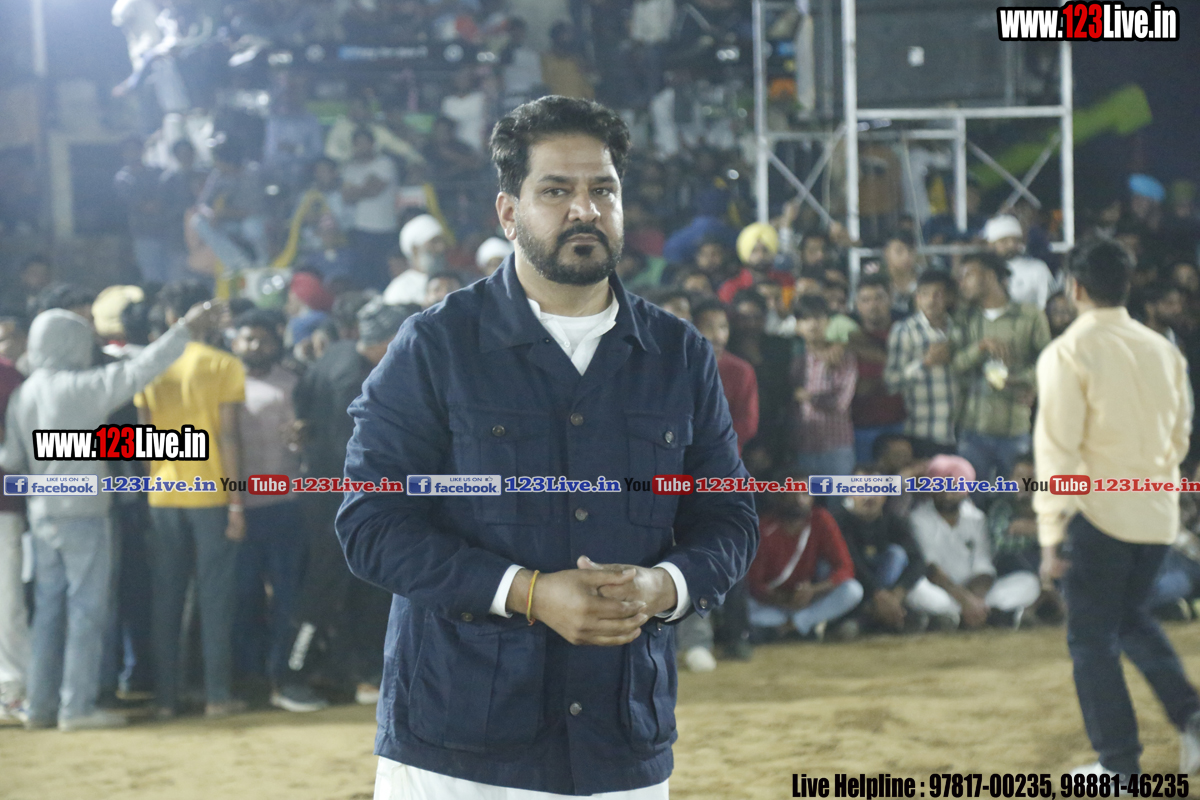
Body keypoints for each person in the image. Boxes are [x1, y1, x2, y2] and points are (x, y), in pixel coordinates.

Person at [337, 96, 757, 799]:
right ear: (509, 213)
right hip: (457, 750)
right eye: (556, 191)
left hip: (620, 741)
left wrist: (663, 588)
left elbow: (730, 517)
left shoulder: (679, 354)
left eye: (603, 190)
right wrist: (528, 594)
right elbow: (370, 523)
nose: (584, 210)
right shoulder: (436, 346)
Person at [1, 299, 222, 729]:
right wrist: (184, 328)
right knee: (86, 609)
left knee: (48, 611)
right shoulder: (80, 388)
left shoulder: (24, 393)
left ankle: (41, 707)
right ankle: (76, 708)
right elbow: (139, 371)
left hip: (41, 511)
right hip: (83, 511)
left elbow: (11, 460)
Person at [1033, 239, 1200, 779]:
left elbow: (1057, 451)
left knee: (1091, 639)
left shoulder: (1068, 352)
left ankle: (1120, 767)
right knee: (1130, 619)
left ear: (1075, 288)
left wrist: (1049, 535)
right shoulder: (1164, 350)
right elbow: (1181, 438)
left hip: (1097, 515)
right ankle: (1192, 717)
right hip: (1156, 511)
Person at [284, 297, 411, 706]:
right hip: (339, 501)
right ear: (389, 339)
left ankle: (354, 673)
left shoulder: (336, 354)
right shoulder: (357, 381)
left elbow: (301, 403)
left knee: (361, 587)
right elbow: (355, 456)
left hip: (327, 494)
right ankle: (292, 675)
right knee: (324, 587)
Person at [135, 281, 248, 719]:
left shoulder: (150, 366)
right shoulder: (223, 364)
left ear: (171, 317)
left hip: (163, 494)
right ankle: (217, 696)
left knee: (166, 596)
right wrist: (236, 505)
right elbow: (229, 437)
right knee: (215, 597)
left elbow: (143, 438)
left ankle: (166, 699)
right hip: (211, 494)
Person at [229, 310, 326, 713]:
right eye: (248, 338)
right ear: (235, 342)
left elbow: (312, 433)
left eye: (263, 339)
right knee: (243, 598)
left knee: (288, 597)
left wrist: (304, 434)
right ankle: (249, 680)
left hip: (287, 504)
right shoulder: (224, 381)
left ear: (276, 343)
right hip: (239, 508)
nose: (256, 346)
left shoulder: (294, 381)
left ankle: (284, 678)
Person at [908, 456, 1041, 631]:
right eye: (941, 485)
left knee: (1029, 583)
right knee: (916, 590)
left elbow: (983, 567)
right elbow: (931, 568)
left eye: (955, 486)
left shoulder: (977, 518)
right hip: (941, 591)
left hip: (977, 592)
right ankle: (985, 615)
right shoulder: (918, 518)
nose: (948, 492)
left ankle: (968, 615)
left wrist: (974, 601)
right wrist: (965, 600)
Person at [953, 252, 1051, 484]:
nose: (962, 283)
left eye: (968, 275)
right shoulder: (963, 318)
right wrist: (981, 347)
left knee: (1017, 495)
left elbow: (1048, 364)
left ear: (989, 276)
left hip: (1014, 427)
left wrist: (1021, 379)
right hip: (972, 427)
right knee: (970, 496)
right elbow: (954, 365)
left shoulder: (1030, 316)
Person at [747, 489, 863, 641]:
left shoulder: (820, 519)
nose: (799, 500)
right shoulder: (763, 528)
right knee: (743, 608)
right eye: (792, 493)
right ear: (779, 497)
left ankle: (792, 627)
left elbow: (845, 567)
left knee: (853, 590)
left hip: (808, 601)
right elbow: (754, 585)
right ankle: (800, 627)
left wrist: (813, 590)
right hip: (773, 604)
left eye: (805, 494)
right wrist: (784, 600)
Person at [884, 270, 959, 458]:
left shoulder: (959, 329)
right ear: (917, 297)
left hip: (960, 433)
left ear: (949, 298)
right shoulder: (904, 331)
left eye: (938, 294)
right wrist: (925, 362)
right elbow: (891, 383)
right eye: (925, 294)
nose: (931, 300)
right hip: (922, 432)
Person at [792, 295, 857, 479]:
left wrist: (807, 397)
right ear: (797, 325)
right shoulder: (794, 358)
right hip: (802, 447)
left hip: (836, 446)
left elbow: (840, 403)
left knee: (839, 496)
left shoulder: (844, 357)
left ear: (828, 321)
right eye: (805, 318)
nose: (813, 324)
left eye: (818, 317)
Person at [849, 274, 906, 466]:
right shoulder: (847, 337)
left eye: (879, 298)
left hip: (900, 424)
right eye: (866, 300)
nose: (873, 305)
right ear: (857, 305)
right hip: (861, 427)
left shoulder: (906, 334)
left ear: (890, 299)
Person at [341, 128, 399, 291]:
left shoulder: (385, 163)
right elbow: (346, 197)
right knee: (363, 274)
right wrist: (364, 187)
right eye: (357, 143)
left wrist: (357, 190)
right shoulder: (350, 168)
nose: (361, 146)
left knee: (384, 273)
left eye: (364, 142)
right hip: (360, 228)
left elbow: (374, 190)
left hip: (385, 226)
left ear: (372, 144)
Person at [0, 354, 26, 721]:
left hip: (4, 504)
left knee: (8, 604)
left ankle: (12, 691)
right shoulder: (8, 376)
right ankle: (12, 691)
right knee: (8, 604)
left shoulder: (8, 375)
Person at [984, 214, 1056, 310]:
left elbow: (1048, 305)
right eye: (1004, 241)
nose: (1011, 245)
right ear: (991, 244)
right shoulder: (983, 271)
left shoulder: (1038, 269)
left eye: (1015, 240)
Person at [384, 214, 447, 305]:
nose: (441, 248)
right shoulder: (399, 290)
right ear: (415, 249)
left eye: (442, 241)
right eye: (434, 242)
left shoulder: (453, 281)